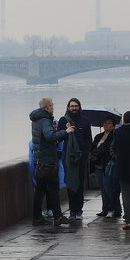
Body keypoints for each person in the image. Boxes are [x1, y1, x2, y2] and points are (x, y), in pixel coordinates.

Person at [30, 97, 74, 227]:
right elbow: (49, 137)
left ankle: (37, 218)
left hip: (40, 160)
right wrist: (65, 132)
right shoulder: (45, 120)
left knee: (40, 190)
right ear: (46, 107)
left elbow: (44, 136)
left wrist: (54, 129)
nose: (53, 107)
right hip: (48, 161)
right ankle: (58, 217)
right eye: (51, 105)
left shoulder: (37, 120)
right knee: (53, 189)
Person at [57, 98, 92, 220]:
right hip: (68, 158)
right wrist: (66, 131)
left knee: (80, 184)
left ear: (79, 107)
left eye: (76, 106)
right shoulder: (63, 120)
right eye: (72, 106)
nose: (74, 108)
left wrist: (85, 154)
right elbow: (59, 138)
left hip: (81, 157)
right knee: (71, 183)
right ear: (68, 107)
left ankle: (79, 210)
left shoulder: (85, 120)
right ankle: (72, 211)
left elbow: (89, 140)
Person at [90, 117, 121, 218]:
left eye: (109, 123)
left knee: (110, 188)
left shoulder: (115, 136)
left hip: (109, 165)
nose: (106, 125)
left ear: (113, 125)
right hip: (98, 165)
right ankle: (105, 208)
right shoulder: (99, 136)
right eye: (105, 123)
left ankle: (115, 209)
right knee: (103, 188)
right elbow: (93, 148)